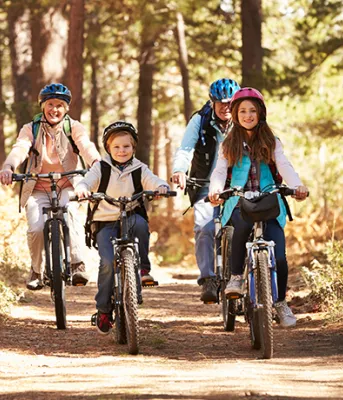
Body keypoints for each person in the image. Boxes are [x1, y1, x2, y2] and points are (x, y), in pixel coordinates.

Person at [208, 87, 308, 327]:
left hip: (268, 201)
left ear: (260, 113)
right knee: (240, 227)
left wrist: (297, 186)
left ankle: (280, 303)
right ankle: (234, 278)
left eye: (252, 110)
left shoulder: (271, 141)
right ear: (234, 114)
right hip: (239, 199)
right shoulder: (228, 143)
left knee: (280, 256)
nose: (248, 115)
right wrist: (216, 190)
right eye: (242, 111)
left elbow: (284, 165)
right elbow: (220, 171)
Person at [0, 83, 101, 290]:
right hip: (38, 187)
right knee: (36, 228)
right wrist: (9, 165)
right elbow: (20, 148)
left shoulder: (73, 127)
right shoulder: (31, 128)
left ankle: (77, 264)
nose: (54, 109)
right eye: (50, 104)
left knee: (71, 214)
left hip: (68, 184)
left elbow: (85, 146)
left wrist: (96, 163)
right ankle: (36, 270)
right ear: (42, 106)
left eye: (60, 105)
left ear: (66, 109)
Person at [74, 121, 170, 335]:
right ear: (108, 148)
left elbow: (152, 180)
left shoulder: (139, 168)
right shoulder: (101, 167)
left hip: (131, 215)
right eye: (116, 147)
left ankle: (143, 269)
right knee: (107, 262)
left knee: (142, 226)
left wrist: (161, 187)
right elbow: (86, 182)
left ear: (133, 148)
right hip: (105, 221)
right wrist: (82, 190)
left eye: (126, 146)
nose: (121, 151)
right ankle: (104, 309)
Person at [172, 78, 240, 303]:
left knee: (243, 229)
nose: (225, 107)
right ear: (212, 102)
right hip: (203, 184)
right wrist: (180, 170)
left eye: (230, 102)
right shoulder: (199, 121)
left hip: (236, 184)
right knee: (204, 227)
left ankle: (246, 280)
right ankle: (208, 279)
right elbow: (185, 149)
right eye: (220, 102)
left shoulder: (245, 119)